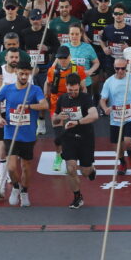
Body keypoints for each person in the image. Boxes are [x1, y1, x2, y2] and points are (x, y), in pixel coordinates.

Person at [0, 62, 48, 207]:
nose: (24, 76)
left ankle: (25, 192)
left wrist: (28, 106)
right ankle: (16, 187)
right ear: (16, 73)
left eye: (27, 74)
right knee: (12, 167)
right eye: (21, 73)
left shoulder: (35, 90)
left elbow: (44, 105)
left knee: (26, 167)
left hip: (28, 135)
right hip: (10, 133)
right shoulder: (7, 89)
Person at [55, 75, 99, 209]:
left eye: (75, 90)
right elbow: (54, 120)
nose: (73, 93)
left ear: (79, 87)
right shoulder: (61, 99)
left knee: (85, 172)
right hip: (68, 137)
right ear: (66, 86)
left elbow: (94, 115)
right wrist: (58, 117)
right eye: (70, 90)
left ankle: (91, 169)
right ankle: (77, 196)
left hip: (85, 137)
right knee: (71, 168)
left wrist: (78, 122)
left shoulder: (85, 98)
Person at [100, 58, 131, 178]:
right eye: (117, 68)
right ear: (114, 68)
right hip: (115, 118)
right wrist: (105, 108)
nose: (120, 71)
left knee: (128, 141)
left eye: (123, 68)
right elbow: (102, 99)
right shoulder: (109, 82)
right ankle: (122, 163)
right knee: (118, 146)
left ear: (127, 67)